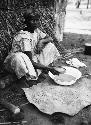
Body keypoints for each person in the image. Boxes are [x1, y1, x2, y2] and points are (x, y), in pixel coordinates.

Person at [3, 12, 63, 85]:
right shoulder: (24, 37)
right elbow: (30, 61)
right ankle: (23, 79)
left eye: (37, 20)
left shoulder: (36, 31)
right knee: (19, 56)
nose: (35, 22)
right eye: (32, 20)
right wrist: (49, 69)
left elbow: (50, 38)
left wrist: (42, 41)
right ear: (26, 22)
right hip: (15, 64)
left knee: (50, 46)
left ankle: (37, 72)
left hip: (31, 59)